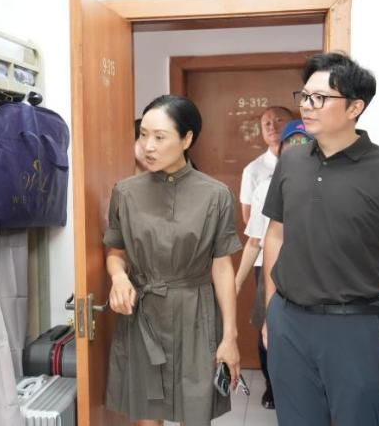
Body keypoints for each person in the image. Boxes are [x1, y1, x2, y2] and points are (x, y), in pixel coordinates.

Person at [262, 52, 379, 426]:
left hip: (354, 325)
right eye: (304, 96)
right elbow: (275, 235)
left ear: (355, 107)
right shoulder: (292, 161)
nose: (307, 105)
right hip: (289, 321)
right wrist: (271, 311)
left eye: (320, 97)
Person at [104, 95, 242, 426]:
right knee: (147, 416)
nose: (148, 146)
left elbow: (222, 268)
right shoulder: (125, 192)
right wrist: (119, 278)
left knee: (195, 412)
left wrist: (230, 336)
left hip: (196, 316)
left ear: (187, 139)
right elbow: (116, 253)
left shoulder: (216, 195)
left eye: (159, 137)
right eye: (143, 135)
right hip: (145, 316)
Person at [234, 119, 313, 410]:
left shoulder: (328, 184)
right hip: (272, 271)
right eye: (291, 144)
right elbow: (255, 241)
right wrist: (235, 283)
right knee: (268, 328)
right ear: (281, 150)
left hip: (313, 276)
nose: (298, 150)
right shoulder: (265, 188)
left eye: (305, 143)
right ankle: (275, 387)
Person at [239, 107, 292, 225]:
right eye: (267, 124)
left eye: (279, 120)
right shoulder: (252, 170)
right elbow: (248, 217)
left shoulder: (311, 161)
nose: (272, 127)